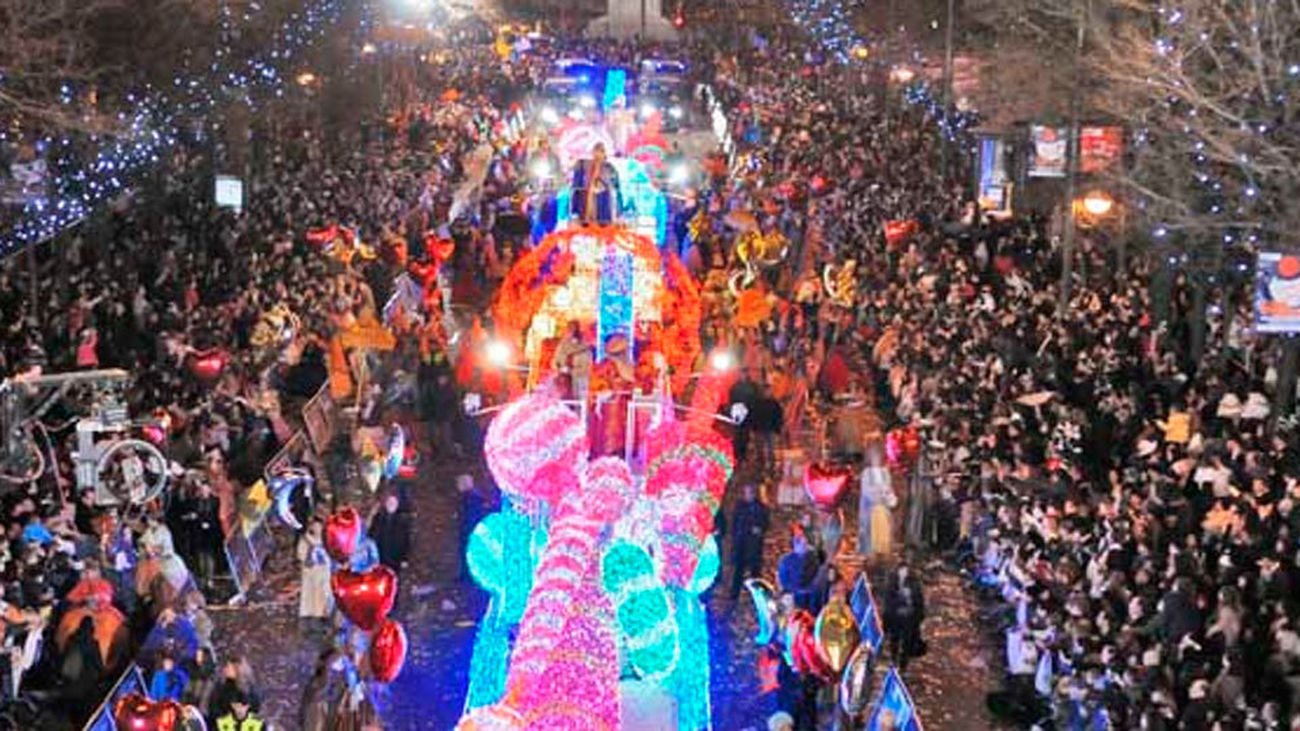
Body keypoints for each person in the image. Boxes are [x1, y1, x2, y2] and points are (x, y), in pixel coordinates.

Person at [728, 483, 770, 601]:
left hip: (754, 546)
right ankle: (734, 595)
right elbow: (735, 525)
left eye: (751, 493)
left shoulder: (760, 508)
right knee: (738, 571)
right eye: (747, 493)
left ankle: (757, 597)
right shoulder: (740, 507)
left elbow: (765, 524)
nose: (749, 496)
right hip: (741, 545)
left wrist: (758, 529)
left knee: (755, 573)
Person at [883, 562, 926, 673]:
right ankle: (894, 662)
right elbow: (888, 601)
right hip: (896, 617)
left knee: (906, 642)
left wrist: (919, 617)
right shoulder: (892, 581)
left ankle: (902, 666)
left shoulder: (914, 582)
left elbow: (919, 601)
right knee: (895, 640)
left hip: (909, 618)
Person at [297, 518, 333, 630]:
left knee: (324, 596)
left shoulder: (327, 539)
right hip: (311, 576)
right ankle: (310, 621)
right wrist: (309, 553)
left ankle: (324, 618)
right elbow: (302, 556)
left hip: (324, 574)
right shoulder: (306, 540)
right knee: (310, 598)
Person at [777, 527, 819, 611]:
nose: (803, 545)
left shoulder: (813, 559)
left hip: (809, 596)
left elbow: (815, 578)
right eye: (798, 542)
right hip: (792, 595)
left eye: (804, 542)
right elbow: (784, 581)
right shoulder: (786, 560)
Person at [369, 492, 411, 575]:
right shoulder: (378, 518)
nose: (391, 505)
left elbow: (406, 540)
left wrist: (404, 558)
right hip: (379, 555)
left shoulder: (402, 521)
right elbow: (371, 535)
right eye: (389, 502)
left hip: (394, 557)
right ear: (386, 504)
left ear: (397, 505)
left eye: (393, 503)